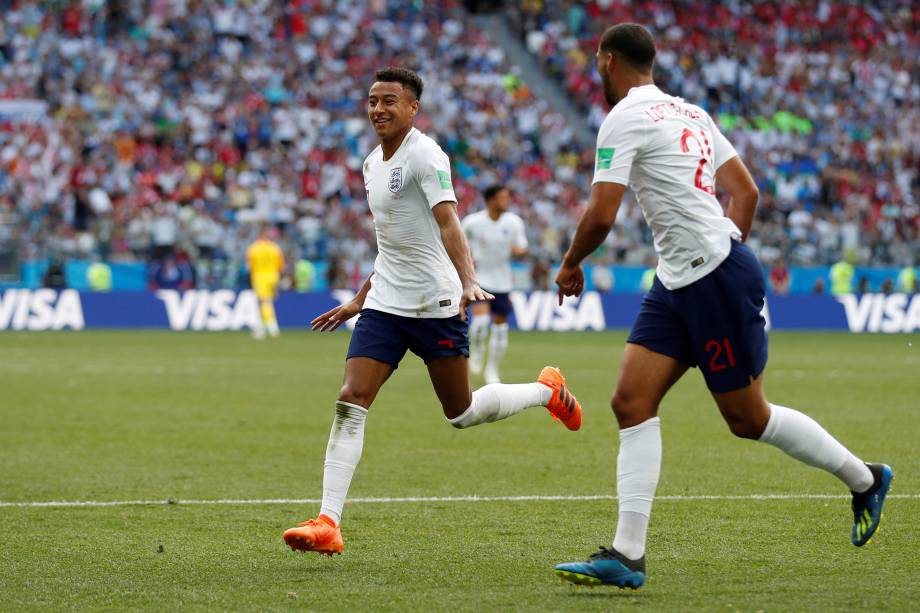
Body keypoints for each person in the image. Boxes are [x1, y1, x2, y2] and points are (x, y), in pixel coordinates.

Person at [552, 24, 891, 589]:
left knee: (747, 418)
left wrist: (570, 263)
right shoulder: (692, 113)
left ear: (608, 62)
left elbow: (602, 214)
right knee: (631, 401)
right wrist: (720, 247)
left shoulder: (623, 116)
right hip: (679, 280)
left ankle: (866, 479)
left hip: (711, 280)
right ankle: (626, 556)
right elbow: (747, 193)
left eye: (596, 65)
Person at [281, 67, 583, 556]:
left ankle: (545, 391)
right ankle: (328, 522)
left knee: (460, 413)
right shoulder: (369, 165)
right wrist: (361, 298)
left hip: (436, 304)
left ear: (412, 108)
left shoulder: (427, 155)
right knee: (351, 399)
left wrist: (467, 280)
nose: (379, 108)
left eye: (390, 101)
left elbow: (449, 223)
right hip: (384, 304)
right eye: (373, 100)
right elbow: (392, 242)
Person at [461, 184, 528, 383]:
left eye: (507, 197)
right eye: (502, 197)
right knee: (481, 324)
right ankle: (478, 351)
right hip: (479, 279)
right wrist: (467, 259)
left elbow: (522, 248)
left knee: (500, 329)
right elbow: (458, 243)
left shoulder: (514, 222)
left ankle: (492, 370)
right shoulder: (472, 223)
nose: (506, 201)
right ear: (490, 201)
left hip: (503, 282)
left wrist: (518, 251)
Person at [246, 225, 284, 339]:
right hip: (273, 276)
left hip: (260, 277)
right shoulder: (275, 248)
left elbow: (250, 266)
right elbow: (280, 266)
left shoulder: (253, 248)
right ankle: (261, 329)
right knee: (267, 302)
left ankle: (272, 328)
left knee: (264, 302)